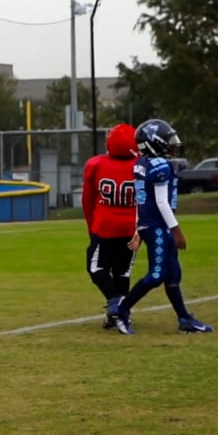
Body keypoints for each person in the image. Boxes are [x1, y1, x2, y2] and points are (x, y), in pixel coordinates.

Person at [109, 119, 213, 335]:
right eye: (166, 141)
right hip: (158, 226)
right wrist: (176, 230)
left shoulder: (141, 163)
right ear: (153, 144)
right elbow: (161, 202)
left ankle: (184, 319)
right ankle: (122, 310)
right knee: (156, 275)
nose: (171, 144)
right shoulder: (159, 166)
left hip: (151, 224)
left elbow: (141, 199)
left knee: (173, 273)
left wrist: (138, 227)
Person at [81, 123, 138, 329]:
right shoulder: (141, 165)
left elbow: (87, 200)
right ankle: (121, 313)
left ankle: (116, 305)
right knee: (123, 272)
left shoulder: (96, 164)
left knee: (96, 268)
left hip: (104, 226)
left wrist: (91, 227)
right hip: (132, 228)